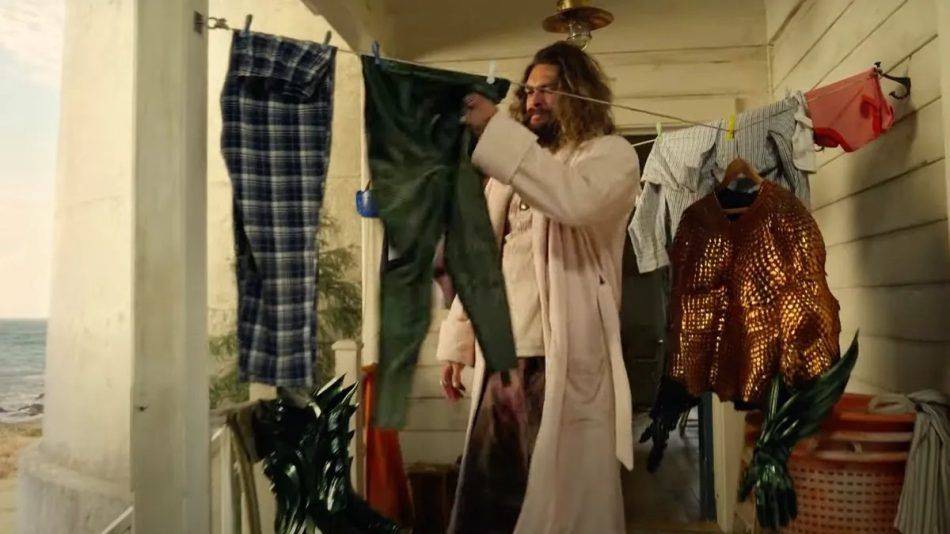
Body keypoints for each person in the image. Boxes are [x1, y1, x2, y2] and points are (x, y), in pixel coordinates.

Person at [437, 42, 640, 534]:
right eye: (528, 91)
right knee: (490, 498)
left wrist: (496, 132)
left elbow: (573, 201)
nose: (534, 100)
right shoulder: (508, 173)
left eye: (548, 90)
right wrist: (458, 342)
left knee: (558, 504)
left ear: (581, 94)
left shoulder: (610, 157)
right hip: (502, 356)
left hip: (561, 356)